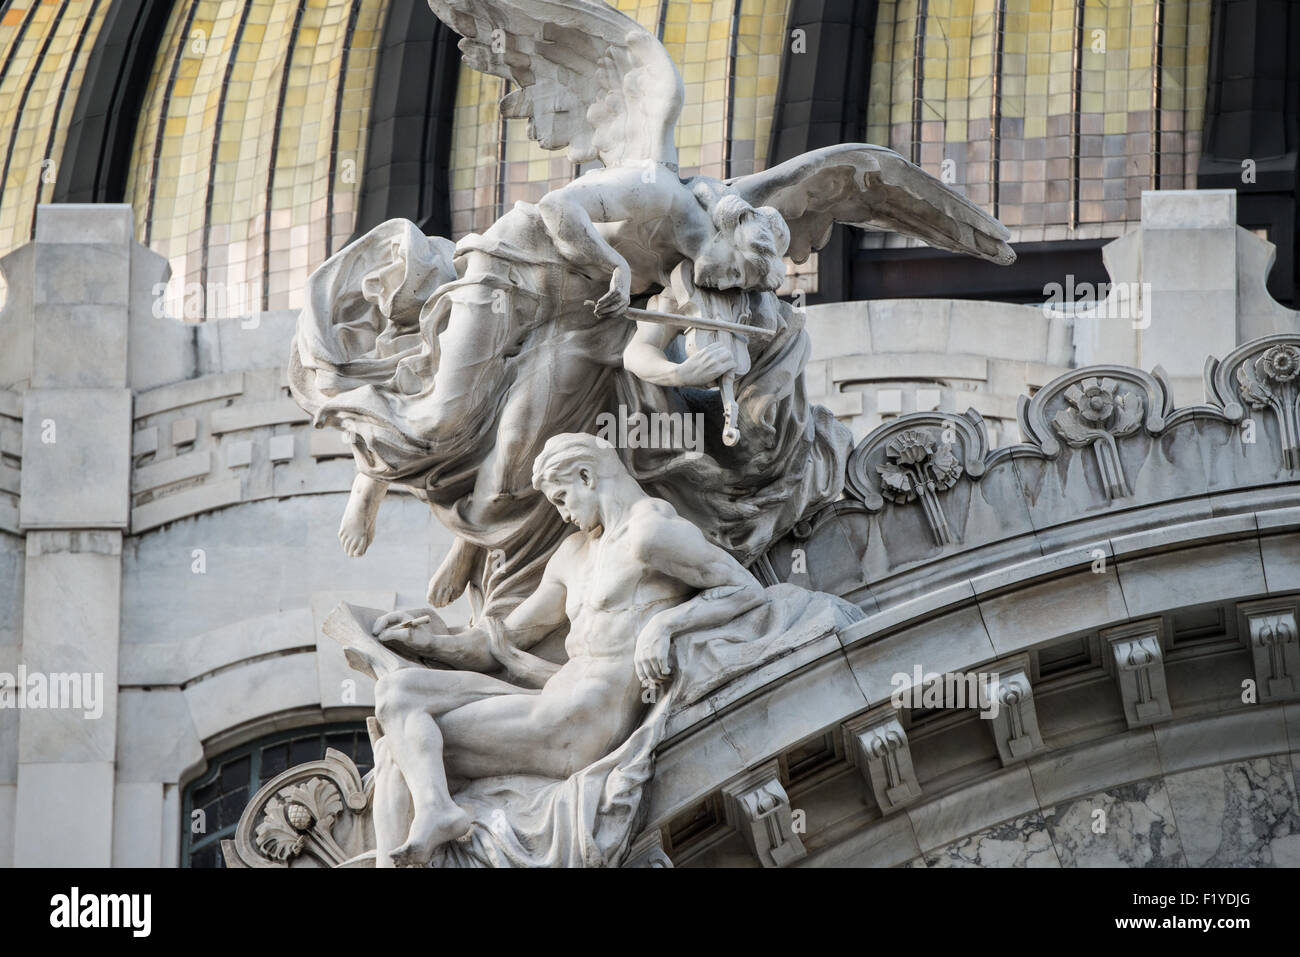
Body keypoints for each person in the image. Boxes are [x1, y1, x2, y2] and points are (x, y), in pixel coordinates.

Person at [363, 432, 767, 867]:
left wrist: (666, 624)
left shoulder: (649, 534)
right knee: (398, 695)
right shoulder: (574, 554)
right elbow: (502, 638)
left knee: (404, 748)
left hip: (581, 723)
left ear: (587, 476)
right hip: (549, 700)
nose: (561, 514)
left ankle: (434, 814)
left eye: (561, 498)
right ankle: (436, 811)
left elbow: (744, 589)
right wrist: (434, 642)